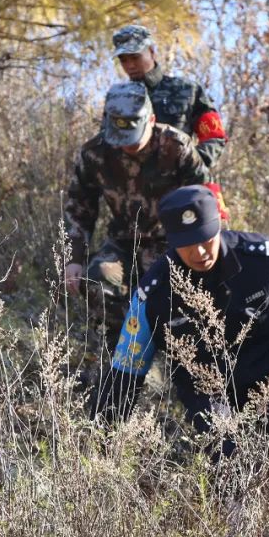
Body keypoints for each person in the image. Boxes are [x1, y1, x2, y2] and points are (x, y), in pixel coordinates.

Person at [93, 185, 269, 537]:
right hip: (202, 382)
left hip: (263, 365)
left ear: (219, 225)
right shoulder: (154, 290)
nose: (199, 251)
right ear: (171, 241)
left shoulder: (263, 256)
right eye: (187, 243)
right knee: (226, 449)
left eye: (206, 239)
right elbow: (127, 363)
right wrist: (104, 429)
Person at [64, 81, 211, 343]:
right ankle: (124, 349)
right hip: (123, 243)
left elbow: (204, 203)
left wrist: (205, 253)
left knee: (180, 301)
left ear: (151, 120)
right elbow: (79, 206)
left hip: (173, 245)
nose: (126, 147)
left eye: (133, 139)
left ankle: (172, 353)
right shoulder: (94, 153)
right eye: (119, 139)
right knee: (98, 280)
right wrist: (74, 257)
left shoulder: (177, 147)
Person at [111, 25, 228, 170]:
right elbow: (108, 147)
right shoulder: (118, 100)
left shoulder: (187, 90)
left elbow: (214, 137)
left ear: (152, 52)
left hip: (179, 185)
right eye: (124, 60)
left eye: (135, 57)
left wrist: (193, 164)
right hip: (131, 186)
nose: (130, 65)